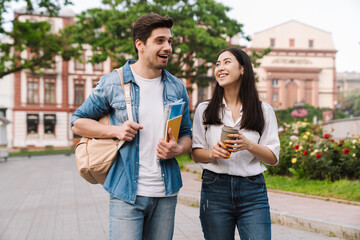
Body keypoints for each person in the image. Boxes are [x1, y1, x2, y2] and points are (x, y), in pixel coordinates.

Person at [70, 13, 192, 240]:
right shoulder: (113, 82)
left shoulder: (177, 87)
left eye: (170, 41)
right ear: (140, 45)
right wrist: (115, 131)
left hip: (166, 193)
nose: (168, 47)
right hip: (126, 193)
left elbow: (186, 134)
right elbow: (77, 122)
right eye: (160, 41)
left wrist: (178, 149)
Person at [191, 48, 280, 240]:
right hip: (214, 188)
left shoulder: (263, 110)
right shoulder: (205, 109)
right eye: (217, 64)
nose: (220, 68)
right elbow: (196, 152)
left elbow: (273, 158)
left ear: (242, 69)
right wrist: (212, 154)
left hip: (252, 191)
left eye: (227, 62)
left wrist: (249, 145)